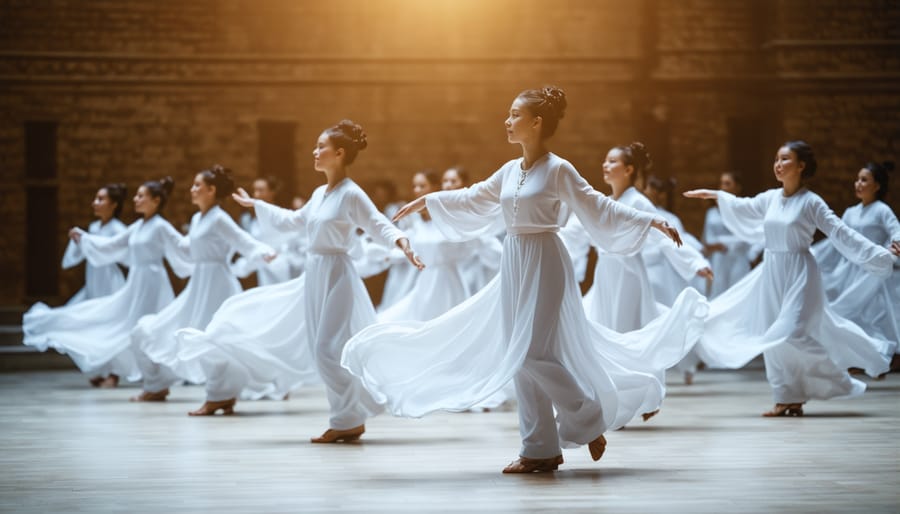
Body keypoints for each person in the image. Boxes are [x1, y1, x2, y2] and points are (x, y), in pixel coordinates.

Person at [342, 86, 702, 474]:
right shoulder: (511, 170)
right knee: (519, 356)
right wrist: (431, 201)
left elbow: (598, 205)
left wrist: (651, 220)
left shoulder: (559, 169)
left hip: (545, 259)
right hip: (515, 260)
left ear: (537, 122)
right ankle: (539, 448)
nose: (507, 120)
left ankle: (587, 417)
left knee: (531, 351)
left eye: (515, 115)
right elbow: (476, 196)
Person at [190, 121, 423, 436]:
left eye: (321, 147)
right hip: (314, 274)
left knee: (329, 348)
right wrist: (257, 205)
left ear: (339, 153)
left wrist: (401, 242)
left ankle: (347, 421)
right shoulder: (319, 193)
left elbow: (377, 223)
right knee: (320, 347)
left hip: (338, 273)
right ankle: (347, 417)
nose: (314, 152)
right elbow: (292, 221)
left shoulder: (351, 193)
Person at [684, 141, 898, 416]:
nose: (778, 164)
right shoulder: (771, 198)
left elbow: (841, 233)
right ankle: (786, 397)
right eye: (776, 159)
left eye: (785, 159)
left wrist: (881, 255)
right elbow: (744, 206)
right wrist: (717, 195)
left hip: (800, 272)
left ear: (801, 166)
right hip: (772, 270)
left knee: (792, 332)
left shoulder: (811, 202)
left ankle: (837, 379)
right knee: (773, 335)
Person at [23, 178, 192, 387]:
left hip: (153, 281)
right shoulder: (138, 226)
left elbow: (182, 245)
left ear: (156, 201)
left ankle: (157, 377)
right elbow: (111, 245)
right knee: (126, 324)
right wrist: (84, 238)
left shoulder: (160, 226)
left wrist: (202, 240)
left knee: (148, 326)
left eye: (141, 196)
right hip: (137, 281)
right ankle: (148, 378)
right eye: (136, 196)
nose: (135, 200)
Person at [129, 166, 275, 402]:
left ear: (211, 190)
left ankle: (219, 396)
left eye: (198, 185)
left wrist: (262, 251)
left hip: (218, 283)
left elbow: (242, 239)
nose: (192, 189)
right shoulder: (198, 218)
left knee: (216, 337)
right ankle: (160, 385)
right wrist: (164, 237)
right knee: (163, 329)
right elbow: (187, 248)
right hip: (200, 283)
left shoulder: (219, 218)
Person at [812, 161, 899, 359]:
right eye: (857, 179)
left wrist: (890, 252)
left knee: (872, 316)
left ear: (876, 186)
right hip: (849, 273)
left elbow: (897, 232)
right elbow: (836, 238)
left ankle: (882, 355)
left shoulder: (881, 210)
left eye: (864, 180)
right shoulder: (851, 212)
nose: (858, 184)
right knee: (846, 313)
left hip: (871, 274)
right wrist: (810, 253)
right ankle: (855, 357)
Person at [60, 183, 129, 306]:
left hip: (108, 277)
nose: (95, 203)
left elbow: (124, 254)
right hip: (93, 274)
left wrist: (87, 240)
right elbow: (89, 251)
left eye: (100, 199)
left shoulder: (118, 229)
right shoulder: (94, 227)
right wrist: (79, 241)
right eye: (96, 199)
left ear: (113, 204)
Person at [701, 172, 762, 298]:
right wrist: (715, 246)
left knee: (738, 293)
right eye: (721, 184)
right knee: (719, 294)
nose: (723, 187)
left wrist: (752, 254)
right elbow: (707, 239)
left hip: (739, 257)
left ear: (737, 187)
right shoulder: (711, 213)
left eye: (727, 184)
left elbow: (759, 234)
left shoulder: (745, 211)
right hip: (719, 259)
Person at [232, 176, 301, 285]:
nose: (256, 194)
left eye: (261, 190)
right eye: (254, 190)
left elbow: (294, 242)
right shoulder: (248, 219)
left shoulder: (280, 216)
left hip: (279, 267)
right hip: (253, 268)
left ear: (272, 192)